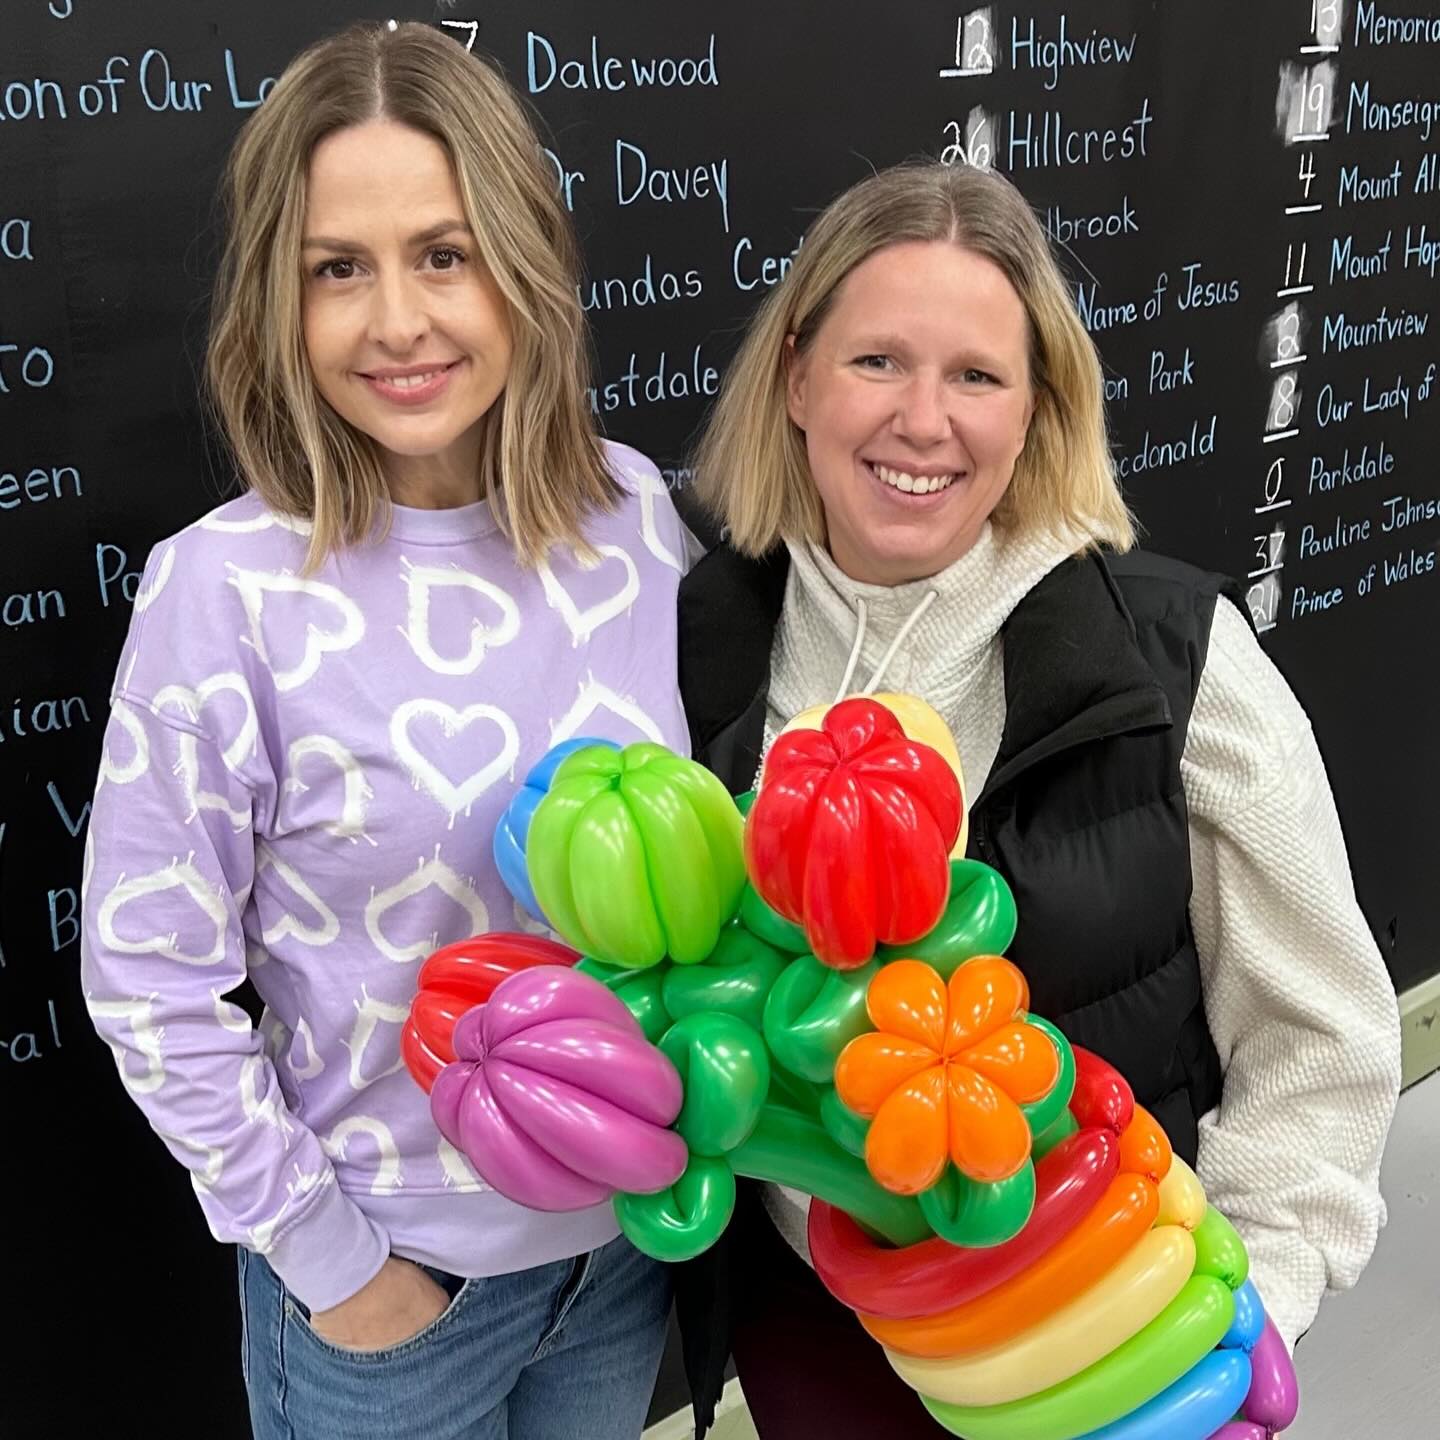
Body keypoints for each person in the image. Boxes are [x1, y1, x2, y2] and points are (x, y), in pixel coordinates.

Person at [674, 160, 1402, 1438]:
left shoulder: (1175, 657)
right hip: (815, 1345)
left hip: (1098, 1359)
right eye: (876, 362)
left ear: (1036, 410)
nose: (922, 420)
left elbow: (1325, 1039)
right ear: (796, 379)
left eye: (976, 376)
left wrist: (1221, 1327)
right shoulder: (706, 634)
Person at [81, 22, 690, 1440]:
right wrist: (334, 1265)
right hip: (385, 1303)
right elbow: (146, 980)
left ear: (523, 264)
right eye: (336, 270)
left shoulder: (636, 517)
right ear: (277, 304)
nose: (397, 321)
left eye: (444, 252)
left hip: (625, 1266)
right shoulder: (224, 590)